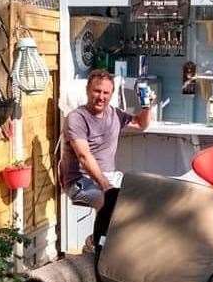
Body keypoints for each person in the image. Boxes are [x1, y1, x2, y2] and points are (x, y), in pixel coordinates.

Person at [60, 69, 154, 210]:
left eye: (106, 93)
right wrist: (106, 186)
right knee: (112, 205)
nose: (101, 97)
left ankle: (105, 232)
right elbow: (84, 156)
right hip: (80, 182)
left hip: (110, 177)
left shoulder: (114, 114)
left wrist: (147, 107)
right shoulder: (77, 118)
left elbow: (141, 124)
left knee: (148, 195)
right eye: (97, 91)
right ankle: (102, 233)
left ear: (111, 95)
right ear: (87, 90)